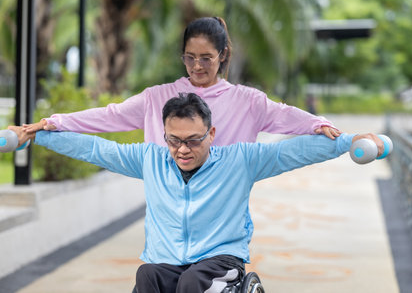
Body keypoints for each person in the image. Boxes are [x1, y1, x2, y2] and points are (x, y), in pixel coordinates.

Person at [9, 93, 383, 293]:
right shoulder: (150, 159)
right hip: (169, 260)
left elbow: (292, 151)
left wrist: (350, 142)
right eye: (174, 140)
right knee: (148, 277)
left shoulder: (240, 161)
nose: (182, 149)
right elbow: (95, 150)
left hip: (221, 261)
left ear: (212, 135)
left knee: (193, 283)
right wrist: (38, 134)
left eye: (192, 140)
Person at [19, 16, 340, 147]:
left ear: (223, 55)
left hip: (221, 214)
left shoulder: (248, 101)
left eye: (206, 58)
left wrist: (318, 124)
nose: (197, 66)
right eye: (189, 57)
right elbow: (111, 115)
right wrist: (55, 122)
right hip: (169, 215)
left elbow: (285, 115)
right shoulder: (158, 97)